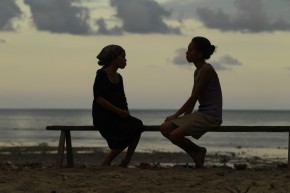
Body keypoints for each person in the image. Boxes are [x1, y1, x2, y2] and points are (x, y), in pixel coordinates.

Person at [160, 36, 223, 168]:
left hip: (211, 116)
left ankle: (199, 151)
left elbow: (194, 97)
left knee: (175, 135)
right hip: (201, 113)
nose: (187, 53)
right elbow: (193, 98)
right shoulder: (197, 71)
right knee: (165, 128)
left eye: (190, 50)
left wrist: (176, 116)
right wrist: (186, 116)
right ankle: (196, 152)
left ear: (199, 54)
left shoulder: (206, 70)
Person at [92, 44, 144, 167]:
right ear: (113, 58)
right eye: (123, 56)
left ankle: (126, 160)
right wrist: (119, 111)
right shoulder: (101, 75)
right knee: (133, 129)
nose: (125, 60)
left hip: (117, 114)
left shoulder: (119, 77)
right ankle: (106, 162)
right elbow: (99, 99)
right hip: (103, 115)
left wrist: (126, 113)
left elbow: (122, 98)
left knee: (137, 125)